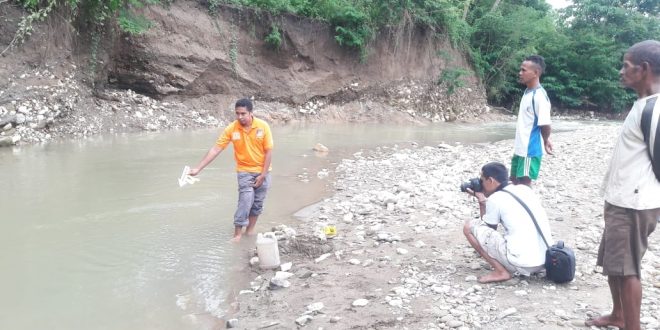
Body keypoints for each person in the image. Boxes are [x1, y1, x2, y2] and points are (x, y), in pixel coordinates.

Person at [585, 40, 660, 330]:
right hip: (622, 200)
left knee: (628, 270)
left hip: (634, 204)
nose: (621, 71)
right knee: (614, 263)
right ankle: (618, 315)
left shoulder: (653, 110)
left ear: (644, 69)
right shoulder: (642, 104)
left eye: (626, 66)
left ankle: (632, 326)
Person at [189, 98, 273, 242]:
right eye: (237, 114)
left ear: (251, 113)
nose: (240, 117)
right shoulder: (232, 128)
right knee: (245, 201)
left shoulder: (263, 126)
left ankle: (250, 231)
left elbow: (269, 151)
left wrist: (263, 175)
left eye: (243, 114)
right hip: (244, 171)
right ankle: (237, 235)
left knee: (257, 203)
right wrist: (198, 168)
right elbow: (216, 149)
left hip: (263, 171)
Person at [463, 162, 553, 283]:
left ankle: (501, 272)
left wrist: (482, 200)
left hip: (522, 263)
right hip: (546, 261)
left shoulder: (495, 199)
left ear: (490, 180)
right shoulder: (525, 189)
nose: (481, 184)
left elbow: (488, 231)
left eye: (482, 180)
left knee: (469, 227)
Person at [511, 55, 553, 186]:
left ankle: (526, 206)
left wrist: (545, 140)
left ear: (536, 73)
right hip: (520, 148)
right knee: (513, 181)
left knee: (524, 184)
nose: (520, 73)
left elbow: (545, 123)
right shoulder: (528, 91)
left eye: (524, 70)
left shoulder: (539, 96)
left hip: (529, 150)